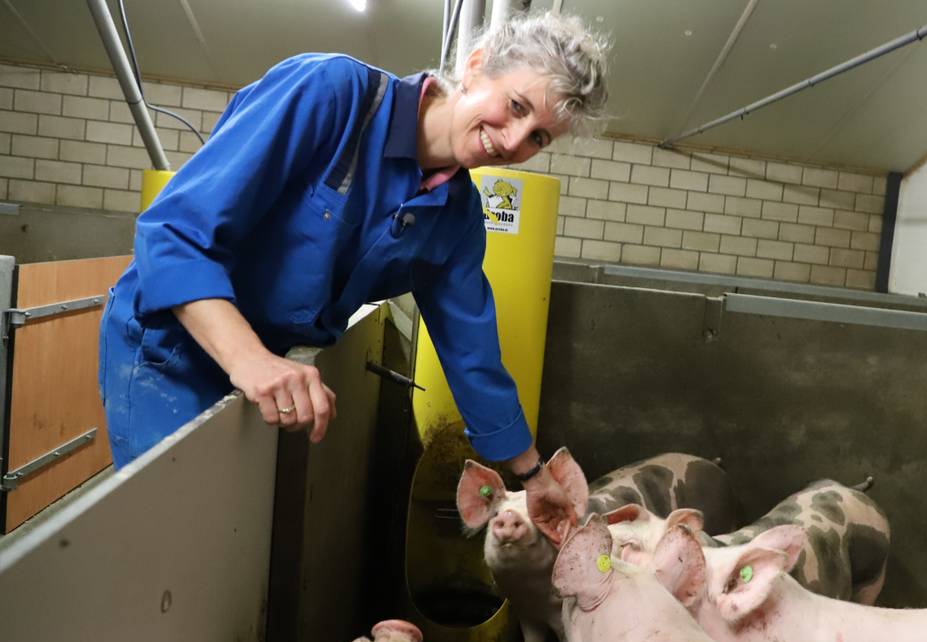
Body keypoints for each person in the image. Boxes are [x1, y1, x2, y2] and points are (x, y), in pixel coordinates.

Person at [97, 11, 608, 511]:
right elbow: (174, 234)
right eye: (517, 106)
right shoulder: (333, 94)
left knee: (227, 532)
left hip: (265, 370)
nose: (515, 142)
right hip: (172, 347)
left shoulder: (456, 216)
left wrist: (533, 476)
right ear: (476, 65)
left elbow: (470, 350)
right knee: (175, 534)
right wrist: (250, 360)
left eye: (539, 137)